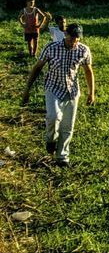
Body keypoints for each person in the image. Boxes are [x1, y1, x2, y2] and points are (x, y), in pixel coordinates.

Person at [21, 22, 95, 168]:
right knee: (53, 117)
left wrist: (91, 93)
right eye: (71, 38)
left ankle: (62, 157)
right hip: (53, 88)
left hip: (72, 91)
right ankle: (50, 139)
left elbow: (88, 71)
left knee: (68, 126)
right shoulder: (51, 48)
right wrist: (27, 89)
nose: (74, 41)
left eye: (77, 39)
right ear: (65, 34)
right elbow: (37, 68)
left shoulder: (83, 50)